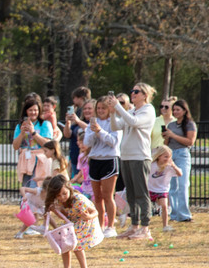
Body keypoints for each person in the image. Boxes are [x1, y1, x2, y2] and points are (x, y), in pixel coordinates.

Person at [110, 83, 156, 241]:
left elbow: (134, 122)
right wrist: (112, 112)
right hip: (126, 156)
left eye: (136, 91)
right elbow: (116, 125)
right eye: (132, 91)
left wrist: (118, 107)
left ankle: (145, 228)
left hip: (140, 156)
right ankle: (134, 225)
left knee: (141, 193)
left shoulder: (148, 110)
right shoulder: (131, 111)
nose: (133, 93)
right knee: (130, 193)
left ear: (145, 95)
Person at [45, 174, 100, 268]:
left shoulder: (79, 199)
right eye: (58, 196)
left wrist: (88, 216)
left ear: (69, 188)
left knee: (76, 245)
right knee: (65, 243)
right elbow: (67, 217)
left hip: (84, 223)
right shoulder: (62, 201)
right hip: (73, 223)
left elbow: (95, 212)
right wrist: (56, 211)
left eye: (64, 194)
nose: (62, 197)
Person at [82, 96, 121, 236]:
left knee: (108, 195)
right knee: (97, 197)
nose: (100, 111)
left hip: (109, 160)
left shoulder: (115, 123)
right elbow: (87, 143)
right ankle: (99, 226)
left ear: (109, 109)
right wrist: (93, 131)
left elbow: (113, 142)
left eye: (103, 108)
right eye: (98, 108)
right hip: (95, 160)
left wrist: (100, 131)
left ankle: (111, 226)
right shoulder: (92, 123)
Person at [164, 98, 196, 223]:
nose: (175, 112)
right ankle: (174, 213)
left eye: (178, 110)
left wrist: (173, 135)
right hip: (171, 154)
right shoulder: (171, 125)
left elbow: (190, 142)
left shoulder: (189, 124)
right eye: (174, 110)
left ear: (184, 110)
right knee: (172, 186)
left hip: (182, 154)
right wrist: (166, 136)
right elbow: (166, 143)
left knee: (182, 184)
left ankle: (184, 214)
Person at [13, 97, 54, 187]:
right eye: (30, 110)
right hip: (26, 160)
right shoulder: (19, 126)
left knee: (36, 187)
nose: (33, 112)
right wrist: (22, 133)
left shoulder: (45, 124)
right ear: (26, 111)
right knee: (26, 187)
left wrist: (33, 132)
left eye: (35, 110)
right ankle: (25, 201)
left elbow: (47, 144)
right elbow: (15, 146)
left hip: (41, 160)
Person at [148, 146, 182, 232]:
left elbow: (180, 174)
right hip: (150, 189)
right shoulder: (152, 165)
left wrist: (174, 165)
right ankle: (144, 225)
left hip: (162, 190)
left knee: (164, 206)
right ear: (159, 156)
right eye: (165, 156)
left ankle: (165, 226)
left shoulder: (169, 167)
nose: (167, 159)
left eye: (169, 157)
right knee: (145, 208)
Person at [66, 87, 92, 175]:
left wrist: (78, 121)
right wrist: (68, 122)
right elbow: (67, 135)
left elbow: (91, 130)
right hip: (75, 156)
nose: (86, 111)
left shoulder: (95, 122)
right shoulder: (79, 119)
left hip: (89, 159)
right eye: (84, 109)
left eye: (89, 109)